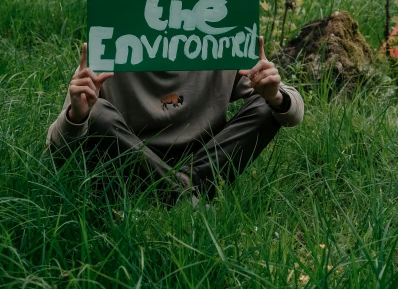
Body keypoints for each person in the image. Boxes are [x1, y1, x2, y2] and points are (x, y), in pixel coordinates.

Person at [46, 36, 304, 204]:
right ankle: (187, 198)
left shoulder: (222, 43)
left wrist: (274, 94)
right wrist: (76, 115)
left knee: (267, 104)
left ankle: (179, 190)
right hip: (131, 162)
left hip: (204, 162)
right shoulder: (109, 48)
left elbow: (294, 114)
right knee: (97, 113)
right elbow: (55, 153)